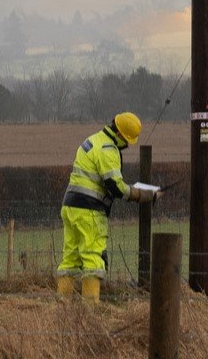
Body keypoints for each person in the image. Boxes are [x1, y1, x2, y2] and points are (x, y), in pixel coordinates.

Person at [56, 111, 157, 301]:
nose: (127, 145)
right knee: (93, 259)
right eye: (127, 140)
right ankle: (90, 312)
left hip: (70, 207)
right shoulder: (108, 149)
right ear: (120, 134)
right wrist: (141, 195)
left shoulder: (93, 140)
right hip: (89, 211)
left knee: (69, 259)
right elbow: (116, 187)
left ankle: (62, 308)